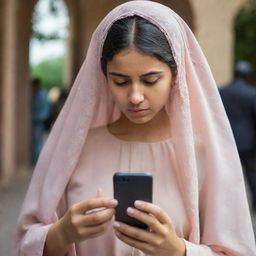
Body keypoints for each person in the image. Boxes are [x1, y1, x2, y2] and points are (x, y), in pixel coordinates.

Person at [15, 1, 256, 256]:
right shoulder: (76, 148)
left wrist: (179, 251)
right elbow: (23, 243)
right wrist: (62, 234)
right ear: (103, 77)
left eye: (150, 80)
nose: (135, 96)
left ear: (176, 76)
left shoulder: (205, 155)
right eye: (120, 81)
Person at [219, 61, 256, 213]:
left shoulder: (221, 91)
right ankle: (254, 207)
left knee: (227, 176)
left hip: (227, 142)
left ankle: (227, 208)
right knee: (251, 175)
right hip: (248, 143)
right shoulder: (252, 93)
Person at [31, 78, 51, 166]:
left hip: (37, 122)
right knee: (38, 143)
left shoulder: (39, 95)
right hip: (41, 122)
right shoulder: (44, 94)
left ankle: (37, 163)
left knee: (37, 144)